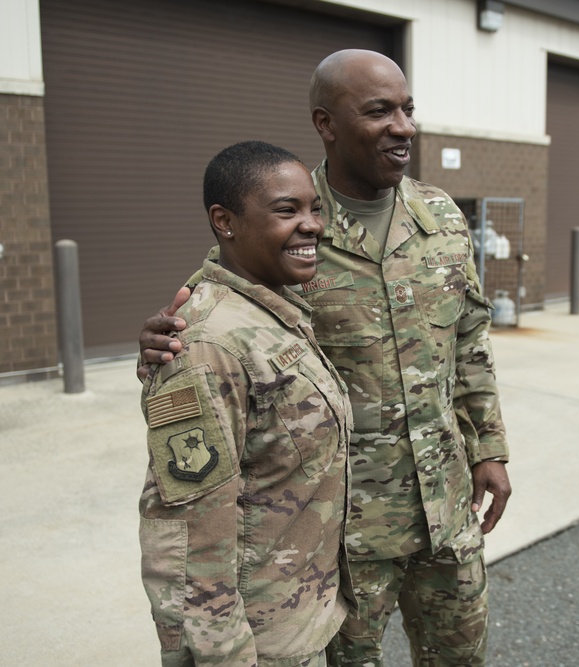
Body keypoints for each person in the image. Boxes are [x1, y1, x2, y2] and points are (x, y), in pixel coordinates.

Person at [139, 50, 512, 666]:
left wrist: (490, 449)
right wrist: (156, 348)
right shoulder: (288, 229)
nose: (403, 127)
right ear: (326, 123)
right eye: (379, 111)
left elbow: (470, 342)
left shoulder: (441, 216)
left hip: (447, 512)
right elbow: (210, 331)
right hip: (345, 539)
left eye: (408, 109)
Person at [138, 141, 354, 667]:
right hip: (258, 644)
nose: (312, 225)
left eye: (314, 208)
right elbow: (187, 542)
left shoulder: (274, 307)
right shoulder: (208, 344)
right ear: (225, 221)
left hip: (300, 617)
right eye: (287, 210)